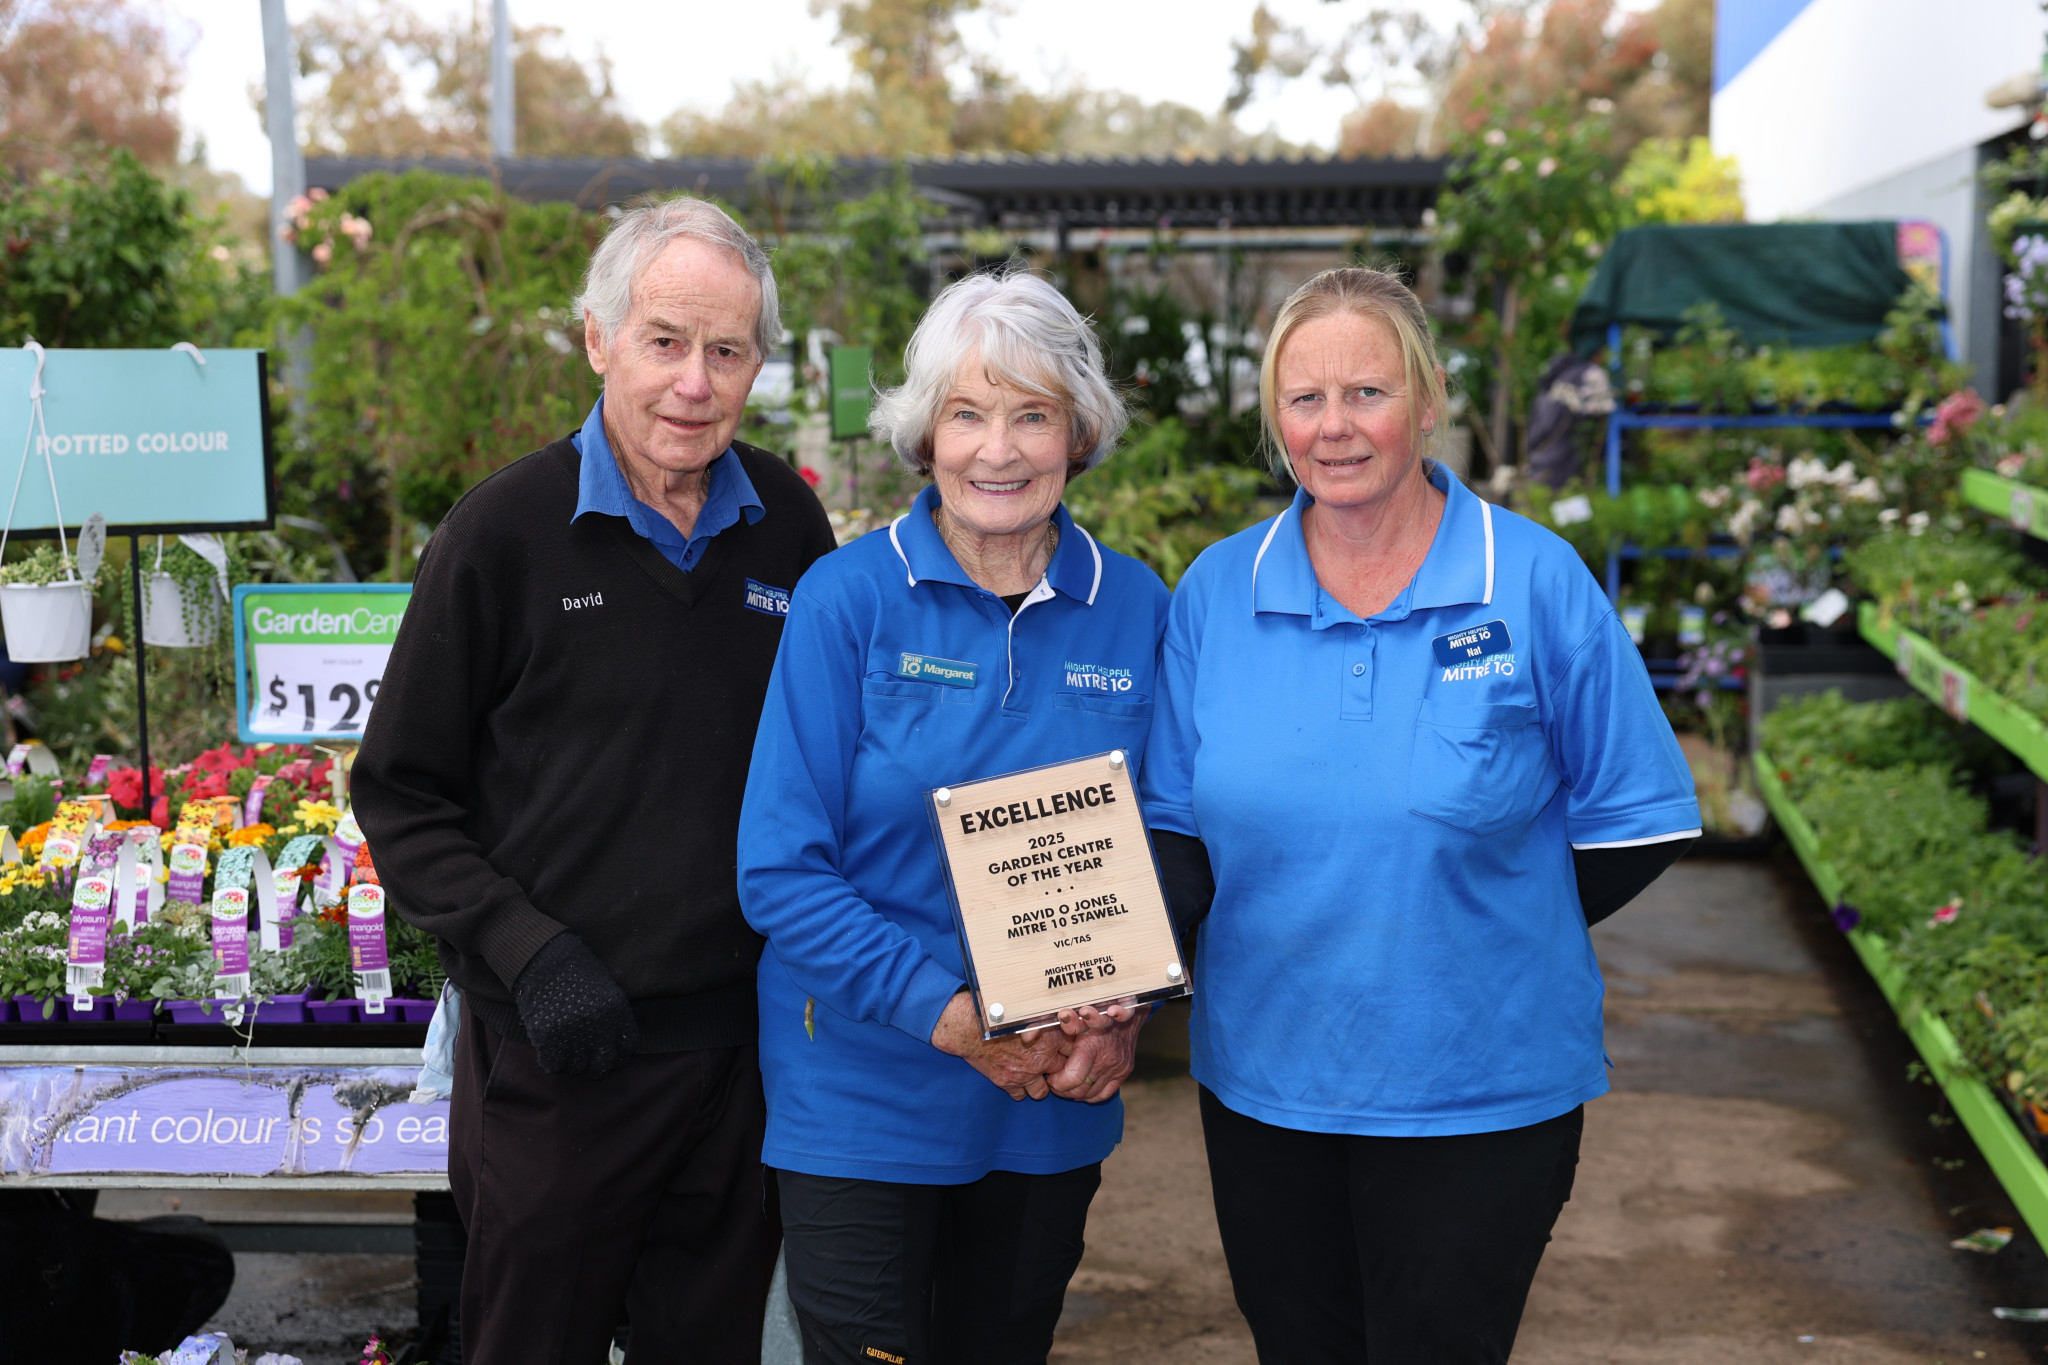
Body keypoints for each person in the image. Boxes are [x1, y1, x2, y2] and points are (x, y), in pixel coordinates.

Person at [1140, 267, 1700, 1364]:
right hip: (1266, 1085)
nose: (1333, 427)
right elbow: (1174, 828)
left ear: (1428, 398)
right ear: (1273, 417)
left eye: (1366, 393)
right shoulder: (1217, 590)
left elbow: (1639, 818)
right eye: (1303, 399)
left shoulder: (1531, 582)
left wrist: (1472, 928)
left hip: (1477, 1089)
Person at [353, 197, 836, 1365]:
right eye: (665, 340)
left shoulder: (788, 533)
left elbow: (835, 763)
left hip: (741, 1066)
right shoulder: (502, 536)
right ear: (597, 340)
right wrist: (530, 952)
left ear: (758, 365)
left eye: (727, 351)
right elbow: (402, 796)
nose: (694, 381)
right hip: (558, 1061)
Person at [736, 270, 1168, 1365]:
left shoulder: (1137, 609)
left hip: (1053, 1096)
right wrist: (954, 1019)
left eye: (1033, 415)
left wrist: (1123, 1010)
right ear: (924, 434)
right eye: (968, 414)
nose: (999, 450)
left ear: (1078, 434)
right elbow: (779, 871)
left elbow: (1167, 841)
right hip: (864, 1094)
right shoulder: (847, 599)